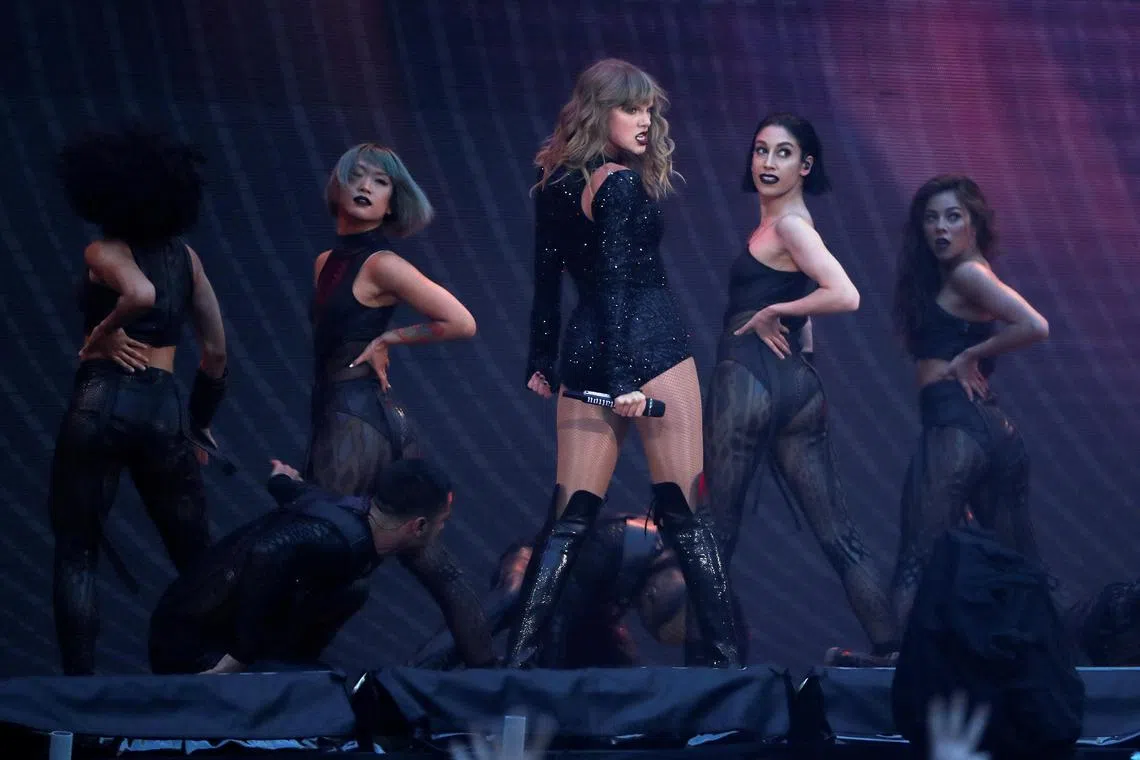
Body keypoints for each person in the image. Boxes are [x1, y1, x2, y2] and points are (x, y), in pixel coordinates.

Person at [516, 58, 739, 668]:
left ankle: (519, 663)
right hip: (650, 348)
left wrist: (542, 357)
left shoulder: (552, 182)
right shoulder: (618, 184)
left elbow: (546, 279)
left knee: (567, 521)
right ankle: (728, 664)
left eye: (648, 110)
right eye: (630, 108)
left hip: (584, 350)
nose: (645, 121)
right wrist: (623, 382)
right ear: (598, 111)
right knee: (688, 516)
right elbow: (616, 284)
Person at [698, 113, 898, 664]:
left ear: (805, 165)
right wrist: (795, 343)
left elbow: (845, 294)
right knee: (838, 536)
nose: (767, 163)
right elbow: (806, 320)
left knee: (715, 536)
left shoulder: (790, 226)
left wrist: (774, 311)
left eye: (783, 153)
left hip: (748, 380)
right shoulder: (786, 225)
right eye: (761, 150)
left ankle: (707, 672)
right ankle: (892, 654)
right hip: (794, 388)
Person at [305, 143, 494, 668]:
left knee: (321, 554)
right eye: (357, 176)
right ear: (338, 186)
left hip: (357, 424)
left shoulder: (382, 263)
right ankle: (489, 676)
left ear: (393, 202)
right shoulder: (326, 262)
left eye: (381, 181)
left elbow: (461, 321)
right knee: (430, 563)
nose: (366, 186)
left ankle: (294, 684)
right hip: (354, 415)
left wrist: (392, 338)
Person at [50, 127, 228, 675]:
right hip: (163, 409)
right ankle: (206, 673)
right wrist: (198, 423)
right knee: (194, 555)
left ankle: (78, 692)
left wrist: (98, 334)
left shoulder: (103, 249)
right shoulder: (188, 260)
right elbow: (216, 354)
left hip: (101, 400)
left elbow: (140, 294)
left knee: (78, 552)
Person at [888, 174, 1049, 634]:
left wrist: (971, 355)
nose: (940, 228)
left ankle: (900, 664)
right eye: (931, 218)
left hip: (956, 428)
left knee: (917, 560)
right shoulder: (964, 274)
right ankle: (1049, 655)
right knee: (1018, 564)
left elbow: (1035, 325)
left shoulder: (969, 274)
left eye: (952, 217)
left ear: (973, 223)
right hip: (991, 430)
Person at [148, 457, 454, 674]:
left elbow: (292, 490)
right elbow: (266, 552)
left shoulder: (350, 510)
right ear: (418, 526)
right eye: (442, 523)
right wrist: (240, 657)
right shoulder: (340, 541)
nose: (442, 530)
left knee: (354, 591)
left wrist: (281, 479)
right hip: (189, 646)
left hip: (195, 624)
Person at [412, 516, 749, 669]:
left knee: (623, 677)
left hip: (590, 607)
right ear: (654, 593)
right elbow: (557, 614)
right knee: (513, 595)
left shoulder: (692, 562)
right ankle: (419, 670)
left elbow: (728, 614)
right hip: (539, 575)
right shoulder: (620, 542)